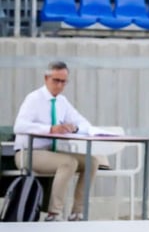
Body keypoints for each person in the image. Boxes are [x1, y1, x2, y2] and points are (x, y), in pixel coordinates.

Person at [13, 61, 98, 221]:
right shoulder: (33, 99)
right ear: (46, 78)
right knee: (68, 162)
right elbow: (19, 126)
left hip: (51, 153)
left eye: (63, 82)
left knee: (91, 161)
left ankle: (77, 212)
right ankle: (54, 213)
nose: (59, 85)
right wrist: (50, 129)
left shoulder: (62, 102)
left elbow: (85, 123)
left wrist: (74, 128)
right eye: (56, 81)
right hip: (28, 153)